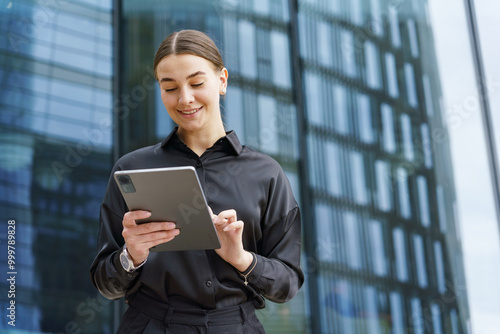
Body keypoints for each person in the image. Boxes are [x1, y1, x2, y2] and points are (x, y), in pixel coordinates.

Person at [90, 29, 303, 333]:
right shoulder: (133, 169)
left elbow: (288, 284)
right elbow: (104, 281)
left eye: (197, 83)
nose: (185, 98)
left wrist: (240, 258)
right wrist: (130, 256)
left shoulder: (266, 174)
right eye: (170, 87)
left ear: (222, 80)